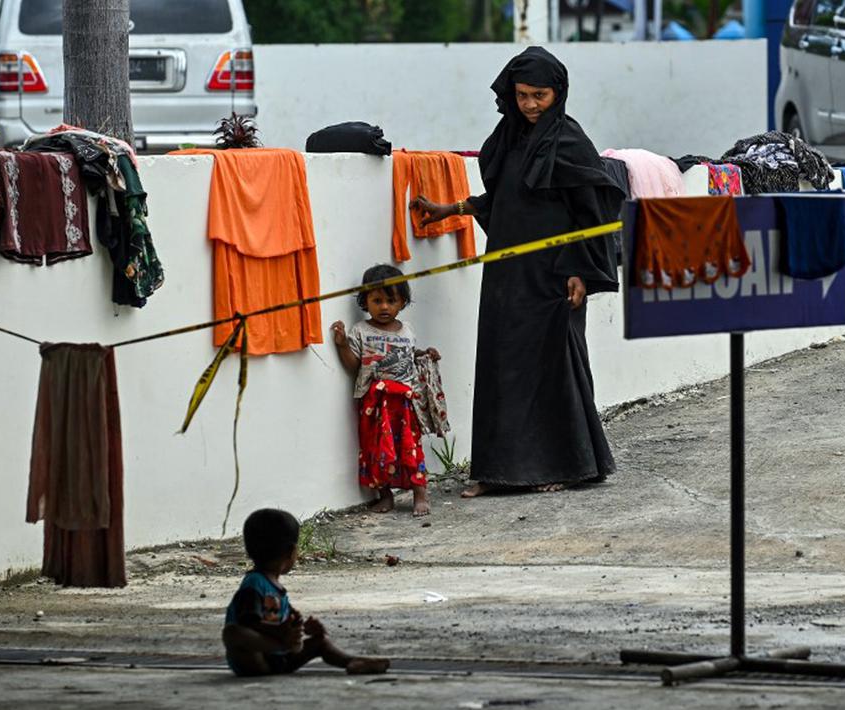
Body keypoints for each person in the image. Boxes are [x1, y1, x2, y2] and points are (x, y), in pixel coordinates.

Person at [412, 46, 624, 498]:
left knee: (554, 367)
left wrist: (579, 271)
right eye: (523, 95)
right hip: (506, 272)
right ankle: (498, 472)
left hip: (554, 276)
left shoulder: (569, 141)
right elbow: (509, 199)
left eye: (540, 96)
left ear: (558, 93)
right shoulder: (509, 137)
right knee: (501, 364)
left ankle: (569, 465)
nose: (530, 104)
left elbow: (591, 213)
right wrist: (450, 209)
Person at [221, 508, 389, 676]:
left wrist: (301, 628)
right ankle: (282, 648)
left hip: (283, 659)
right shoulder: (254, 584)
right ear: (291, 552)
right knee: (233, 633)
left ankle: (352, 661)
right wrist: (281, 635)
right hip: (255, 661)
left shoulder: (275, 587)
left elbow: (284, 621)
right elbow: (248, 622)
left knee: (320, 642)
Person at [331, 264, 440, 517]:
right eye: (376, 300)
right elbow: (353, 366)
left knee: (411, 446)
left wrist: (425, 354)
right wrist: (341, 345)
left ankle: (419, 493)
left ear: (402, 302)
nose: (384, 307)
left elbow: (410, 356)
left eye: (391, 301)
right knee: (376, 449)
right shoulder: (361, 331)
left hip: (404, 402)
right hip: (374, 404)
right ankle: (385, 495)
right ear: (365, 301)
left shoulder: (407, 330)